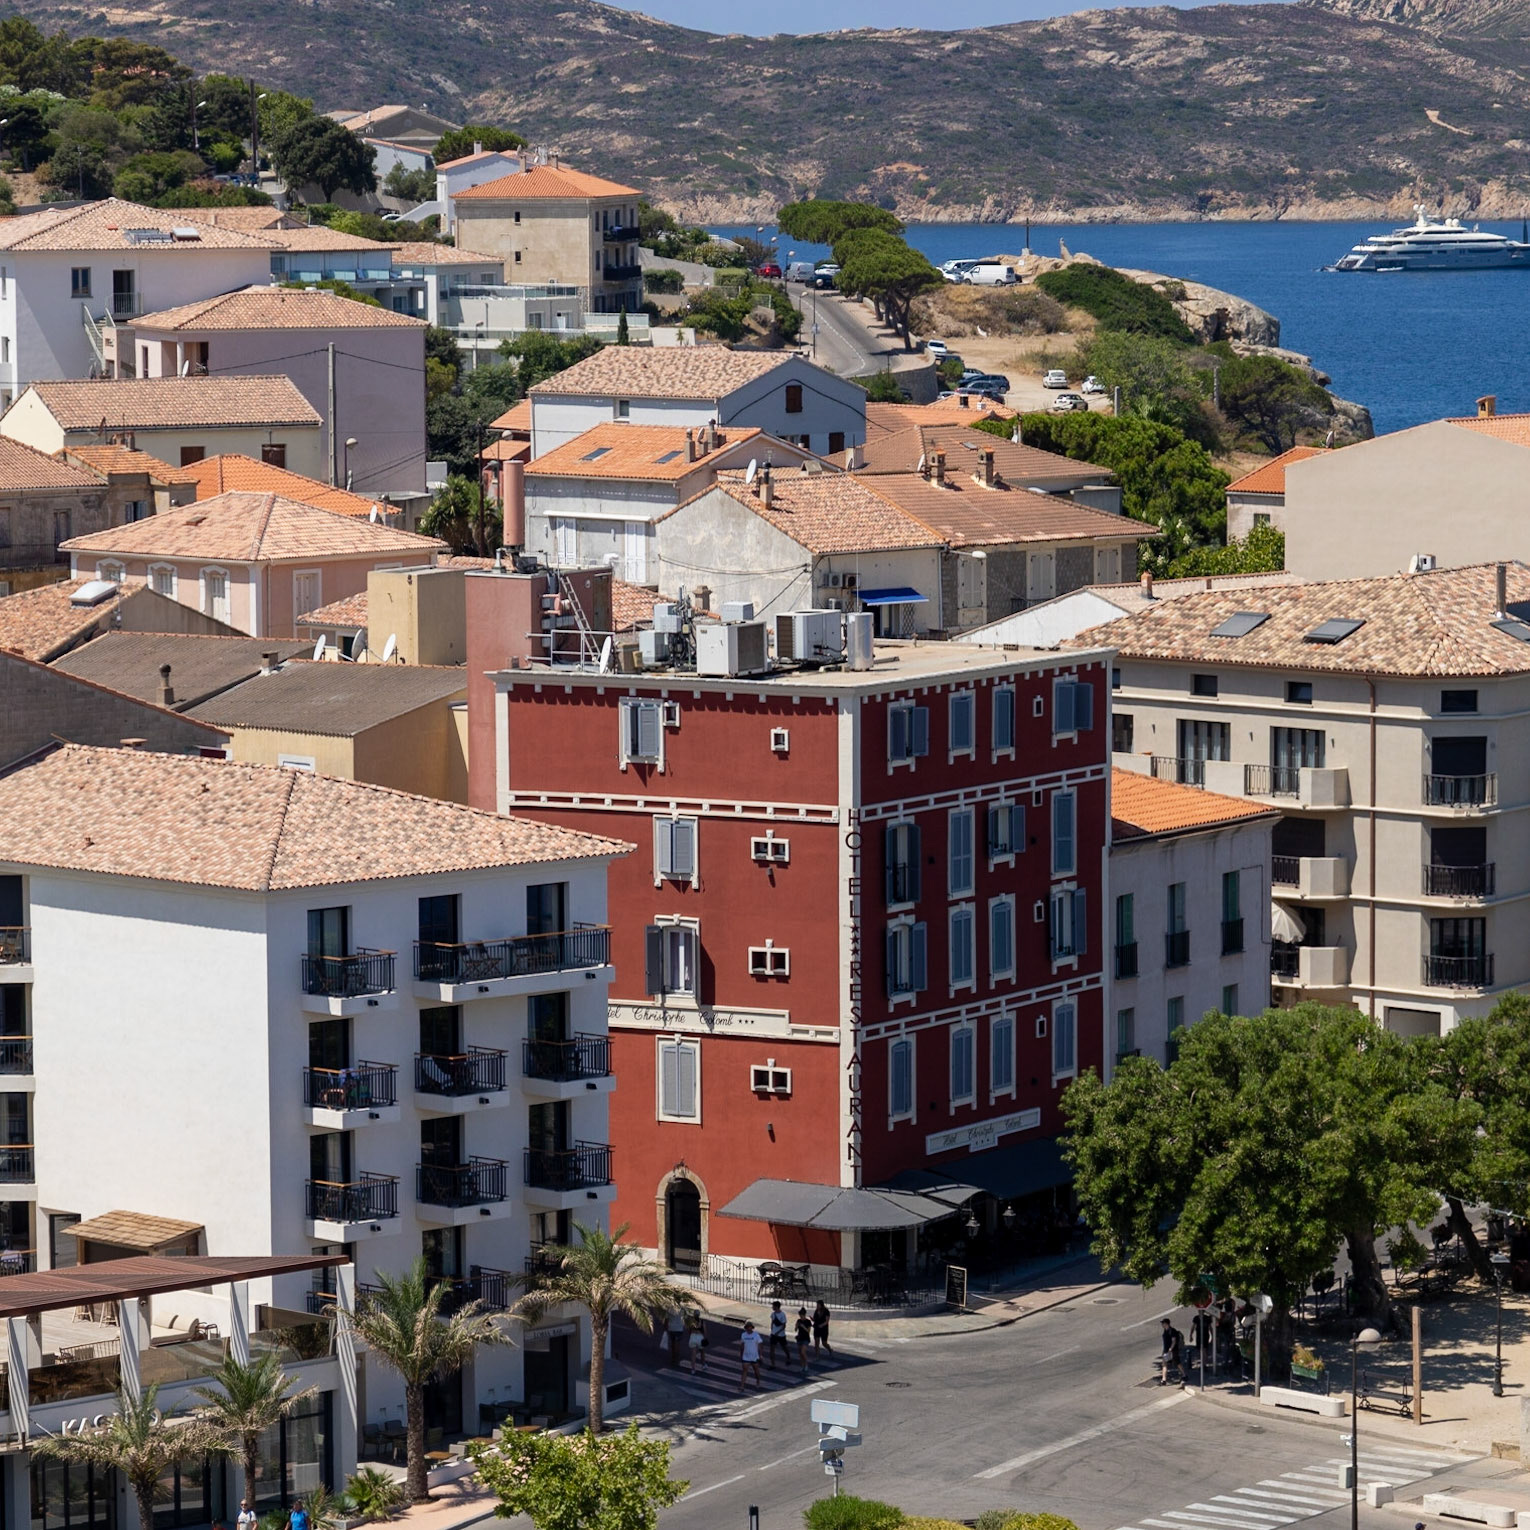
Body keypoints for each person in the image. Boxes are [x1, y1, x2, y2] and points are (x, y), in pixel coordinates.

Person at [1159, 1317, 1184, 1387]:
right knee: (1164, 1364)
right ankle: (1164, 1380)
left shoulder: (1172, 1331)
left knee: (1177, 1363)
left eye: (1163, 1323)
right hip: (1166, 1350)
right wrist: (1164, 1351)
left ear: (1166, 1323)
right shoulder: (1165, 1330)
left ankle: (1184, 1375)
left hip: (1173, 1351)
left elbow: (1174, 1341)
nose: (1162, 1324)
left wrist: (1170, 1349)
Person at [739, 1320, 763, 1391]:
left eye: (749, 1327)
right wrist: (741, 1354)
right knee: (744, 1371)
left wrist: (760, 1355)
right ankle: (742, 1386)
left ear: (752, 1328)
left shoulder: (756, 1335)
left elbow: (760, 1345)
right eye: (747, 1327)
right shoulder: (743, 1335)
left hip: (754, 1356)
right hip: (746, 1356)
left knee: (756, 1371)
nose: (748, 1329)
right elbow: (742, 1345)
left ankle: (758, 1381)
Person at [767, 1299, 789, 1370]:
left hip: (781, 1335)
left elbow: (784, 1326)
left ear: (776, 1306)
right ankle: (772, 1364)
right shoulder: (773, 1314)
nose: (772, 1307)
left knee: (784, 1347)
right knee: (772, 1349)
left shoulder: (782, 1315)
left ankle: (788, 1357)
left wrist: (778, 1332)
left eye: (773, 1306)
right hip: (774, 1334)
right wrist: (772, 1331)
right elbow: (772, 1322)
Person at [794, 1306, 812, 1376]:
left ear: (804, 1315)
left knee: (803, 1352)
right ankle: (802, 1366)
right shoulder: (798, 1320)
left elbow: (808, 1331)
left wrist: (803, 1326)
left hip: (805, 1338)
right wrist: (796, 1326)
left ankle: (806, 1365)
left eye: (801, 1315)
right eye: (800, 1315)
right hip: (799, 1338)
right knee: (800, 1353)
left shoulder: (808, 1321)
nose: (800, 1317)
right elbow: (795, 1330)